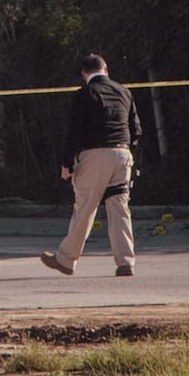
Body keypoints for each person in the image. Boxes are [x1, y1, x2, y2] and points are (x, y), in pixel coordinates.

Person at [41, 54, 142, 277]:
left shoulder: (85, 94)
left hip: (95, 154)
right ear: (106, 70)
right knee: (119, 207)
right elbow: (136, 129)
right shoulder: (124, 92)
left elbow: (74, 132)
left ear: (84, 74)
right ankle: (126, 261)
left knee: (85, 207)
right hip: (123, 154)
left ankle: (66, 260)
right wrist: (129, 153)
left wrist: (67, 162)